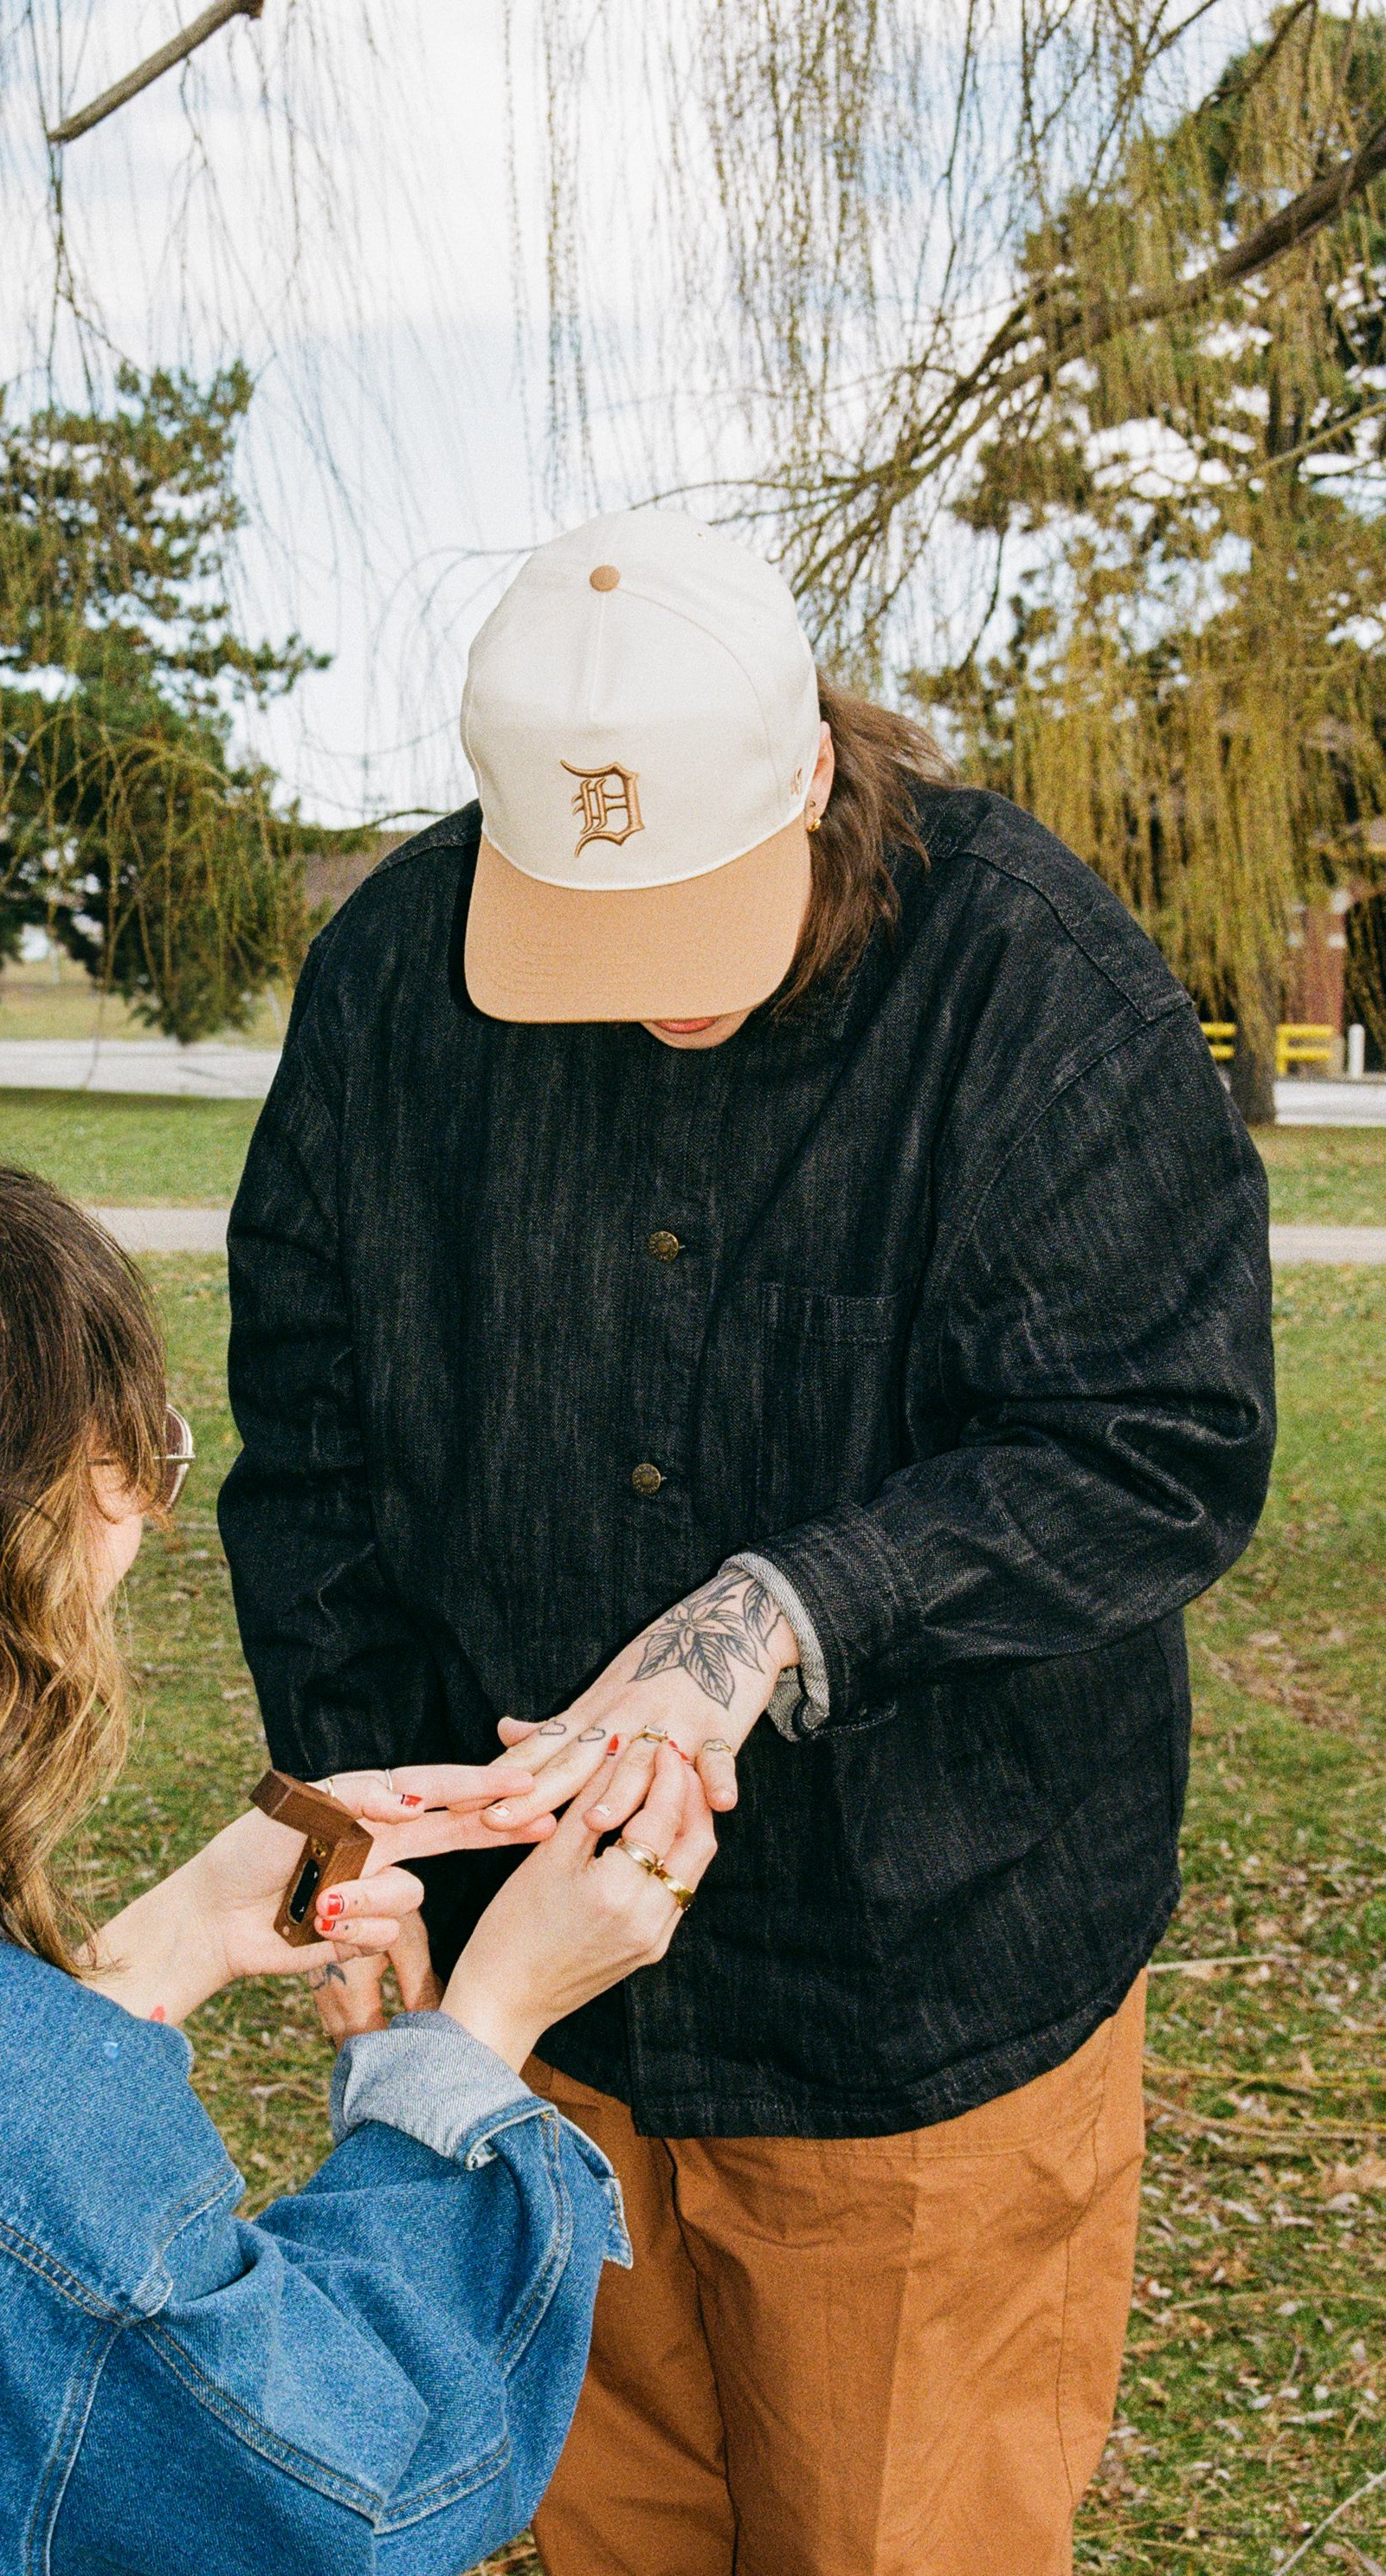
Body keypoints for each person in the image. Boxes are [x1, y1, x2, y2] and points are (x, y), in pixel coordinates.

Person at [219, 509, 1277, 2575]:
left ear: (806, 776)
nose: (648, 1004)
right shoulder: (391, 975)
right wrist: (357, 1845)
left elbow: (1157, 1441)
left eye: (692, 928)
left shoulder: (1025, 978)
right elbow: (314, 1452)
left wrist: (781, 1608)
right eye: (587, 937)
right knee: (603, 2530)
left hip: (913, 2004)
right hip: (542, 2002)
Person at [0, 1146, 718, 2576]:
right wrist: (482, 2034)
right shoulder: (28, 2117)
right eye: (143, 1456)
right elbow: (346, 2491)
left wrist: (170, 1940)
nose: (154, 1516)